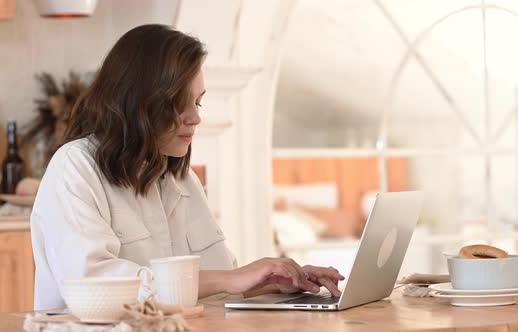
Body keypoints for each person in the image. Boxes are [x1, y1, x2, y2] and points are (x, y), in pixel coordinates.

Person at [30, 24, 344, 310]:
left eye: (199, 102)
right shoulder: (74, 168)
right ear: (139, 100)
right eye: (180, 104)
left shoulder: (181, 179)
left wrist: (273, 282)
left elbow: (216, 288)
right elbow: (95, 286)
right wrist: (229, 279)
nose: (196, 118)